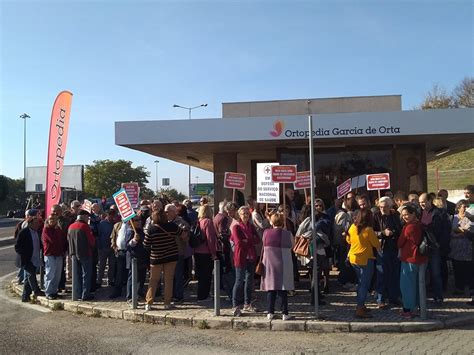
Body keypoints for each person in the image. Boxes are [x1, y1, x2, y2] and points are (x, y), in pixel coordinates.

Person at [346, 208, 381, 318]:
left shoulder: (352, 227)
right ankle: (360, 308)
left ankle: (361, 304)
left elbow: (348, 240)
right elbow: (376, 244)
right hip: (365, 259)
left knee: (360, 282)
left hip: (353, 258)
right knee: (364, 285)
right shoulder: (368, 230)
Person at [143, 210, 181, 310]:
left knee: (153, 280)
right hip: (171, 256)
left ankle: (149, 302)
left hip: (156, 257)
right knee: (168, 280)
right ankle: (167, 303)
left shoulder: (151, 229)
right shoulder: (172, 226)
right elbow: (181, 233)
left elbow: (146, 245)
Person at [261, 212, 295, 320]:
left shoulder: (266, 233)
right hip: (283, 264)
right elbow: (292, 246)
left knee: (271, 289)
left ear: (272, 222)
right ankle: (285, 313)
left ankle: (270, 312)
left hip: (269, 264)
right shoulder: (288, 234)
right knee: (283, 289)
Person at [419, 192, 450, 304]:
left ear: (429, 201)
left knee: (435, 273)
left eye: (423, 202)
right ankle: (422, 297)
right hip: (422, 248)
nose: (421, 204)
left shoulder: (439, 213)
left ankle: (438, 297)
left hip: (434, 248)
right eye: (420, 202)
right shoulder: (419, 213)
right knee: (422, 274)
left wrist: (441, 245)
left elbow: (444, 232)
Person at [398, 204, 428, 318]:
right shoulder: (420, 224)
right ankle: (416, 308)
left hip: (410, 258)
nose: (405, 217)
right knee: (417, 285)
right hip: (421, 258)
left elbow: (400, 243)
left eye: (407, 214)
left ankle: (407, 310)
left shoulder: (409, 227)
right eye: (403, 215)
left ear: (413, 214)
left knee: (407, 286)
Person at [231, 206, 260, 316]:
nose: (246, 215)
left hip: (251, 257)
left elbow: (257, 239)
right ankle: (235, 305)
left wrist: (247, 240)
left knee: (249, 281)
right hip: (241, 256)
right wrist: (249, 240)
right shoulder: (236, 227)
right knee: (239, 281)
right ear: (239, 215)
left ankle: (247, 303)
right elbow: (238, 242)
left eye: (247, 213)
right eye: (243, 213)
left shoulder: (251, 226)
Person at [373, 196, 402, 308]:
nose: (383, 209)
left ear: (390, 206)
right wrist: (382, 233)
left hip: (393, 247)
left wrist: (393, 232)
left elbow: (399, 229)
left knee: (394, 274)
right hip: (382, 248)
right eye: (381, 207)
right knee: (382, 274)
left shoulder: (395, 216)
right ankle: (380, 298)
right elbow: (371, 232)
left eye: (385, 207)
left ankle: (393, 297)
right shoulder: (376, 216)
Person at [67, 210, 96, 301]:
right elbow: (91, 241)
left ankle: (78, 293)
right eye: (87, 217)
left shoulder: (71, 226)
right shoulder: (85, 226)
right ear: (83, 216)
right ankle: (85, 294)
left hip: (73, 253)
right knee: (86, 274)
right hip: (85, 253)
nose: (88, 219)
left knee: (77, 274)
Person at [15, 217, 44, 302]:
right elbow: (17, 246)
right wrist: (23, 255)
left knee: (28, 278)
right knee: (31, 275)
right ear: (30, 224)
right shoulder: (24, 232)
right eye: (35, 223)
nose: (37, 225)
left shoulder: (37, 232)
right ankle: (36, 291)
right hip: (26, 259)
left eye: (38, 223)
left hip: (35, 258)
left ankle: (25, 296)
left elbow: (40, 244)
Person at [164, 203, 190, 303]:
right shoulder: (166, 222)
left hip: (177, 252)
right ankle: (170, 294)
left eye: (167, 212)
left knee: (178, 275)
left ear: (173, 212)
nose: (165, 214)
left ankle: (178, 296)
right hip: (167, 252)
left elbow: (185, 236)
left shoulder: (181, 222)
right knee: (169, 276)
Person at [449, 200, 474, 298]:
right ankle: (459, 287)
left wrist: (459, 231)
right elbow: (451, 231)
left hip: (467, 247)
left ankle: (469, 288)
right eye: (464, 206)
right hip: (456, 247)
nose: (465, 209)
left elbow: (470, 230)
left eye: (467, 207)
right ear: (458, 207)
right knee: (457, 267)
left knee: (467, 268)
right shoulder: (453, 218)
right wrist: (462, 232)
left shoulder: (470, 218)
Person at [194, 204, 218, 301]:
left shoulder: (199, 221)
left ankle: (201, 294)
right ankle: (204, 296)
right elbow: (210, 239)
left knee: (200, 275)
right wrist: (213, 253)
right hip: (206, 252)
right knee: (206, 275)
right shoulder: (208, 222)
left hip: (197, 251)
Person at [42, 214, 67, 299]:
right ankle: (48, 292)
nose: (52, 221)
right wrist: (56, 231)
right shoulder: (46, 229)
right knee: (50, 274)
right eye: (51, 219)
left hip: (59, 254)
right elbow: (52, 240)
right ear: (48, 221)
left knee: (57, 275)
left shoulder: (58, 229)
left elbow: (63, 239)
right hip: (50, 254)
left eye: (54, 219)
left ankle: (54, 291)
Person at [125, 216, 148, 303]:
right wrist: (134, 240)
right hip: (133, 258)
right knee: (132, 277)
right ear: (131, 222)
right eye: (136, 220)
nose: (138, 222)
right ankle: (130, 296)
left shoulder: (141, 231)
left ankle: (139, 293)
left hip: (142, 257)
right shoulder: (130, 232)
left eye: (139, 220)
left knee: (142, 277)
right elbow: (127, 246)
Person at [97, 210, 117, 287]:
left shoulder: (114, 224)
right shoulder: (102, 223)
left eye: (113, 215)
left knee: (112, 265)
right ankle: (99, 281)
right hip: (103, 247)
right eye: (110, 215)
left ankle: (110, 280)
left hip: (112, 247)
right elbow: (98, 235)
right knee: (102, 265)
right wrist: (99, 246)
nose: (111, 217)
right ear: (107, 215)